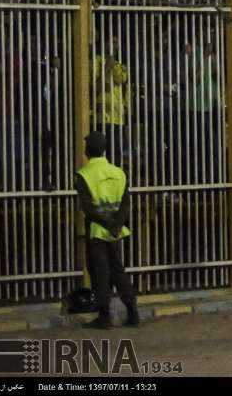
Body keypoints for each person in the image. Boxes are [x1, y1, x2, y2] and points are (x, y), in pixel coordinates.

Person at [75, 131, 139, 329]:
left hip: (97, 230)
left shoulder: (84, 174)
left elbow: (89, 209)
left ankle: (104, 317)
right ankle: (132, 312)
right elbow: (126, 203)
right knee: (118, 270)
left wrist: (106, 224)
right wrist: (116, 224)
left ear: (87, 150)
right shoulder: (119, 172)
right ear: (104, 149)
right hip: (115, 231)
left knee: (100, 271)